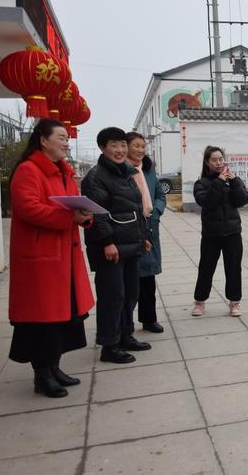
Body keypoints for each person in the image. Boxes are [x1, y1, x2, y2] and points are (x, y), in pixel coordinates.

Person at [8, 119, 94, 398]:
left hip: (65, 257)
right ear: (44, 140)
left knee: (62, 317)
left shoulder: (64, 172)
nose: (67, 143)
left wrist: (84, 215)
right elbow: (28, 208)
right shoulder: (28, 170)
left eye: (67, 138)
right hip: (41, 259)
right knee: (41, 321)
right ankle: (42, 375)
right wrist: (69, 217)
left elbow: (73, 206)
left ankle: (54, 368)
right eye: (62, 138)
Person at [82, 127, 151, 364]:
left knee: (130, 292)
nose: (120, 150)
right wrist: (107, 242)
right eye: (114, 145)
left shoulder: (126, 172)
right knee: (112, 296)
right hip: (110, 248)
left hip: (131, 243)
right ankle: (109, 345)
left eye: (123, 145)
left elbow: (136, 209)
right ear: (103, 148)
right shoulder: (95, 177)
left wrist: (143, 237)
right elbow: (97, 214)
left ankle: (125, 335)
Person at [192, 146, 248, 317]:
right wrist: (219, 182)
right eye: (214, 160)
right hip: (211, 234)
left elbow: (242, 200)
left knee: (233, 269)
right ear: (207, 162)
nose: (218, 163)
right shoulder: (201, 183)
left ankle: (234, 302)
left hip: (232, 232)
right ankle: (200, 301)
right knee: (206, 268)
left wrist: (234, 182)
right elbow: (206, 202)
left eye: (220, 159)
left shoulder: (232, 179)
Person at [126, 132, 166, 333]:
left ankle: (149, 319)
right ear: (125, 147)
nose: (141, 150)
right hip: (130, 229)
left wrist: (156, 212)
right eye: (136, 145)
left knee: (148, 277)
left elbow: (160, 195)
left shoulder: (148, 170)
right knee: (129, 279)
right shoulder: (122, 171)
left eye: (143, 146)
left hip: (150, 227)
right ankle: (125, 324)